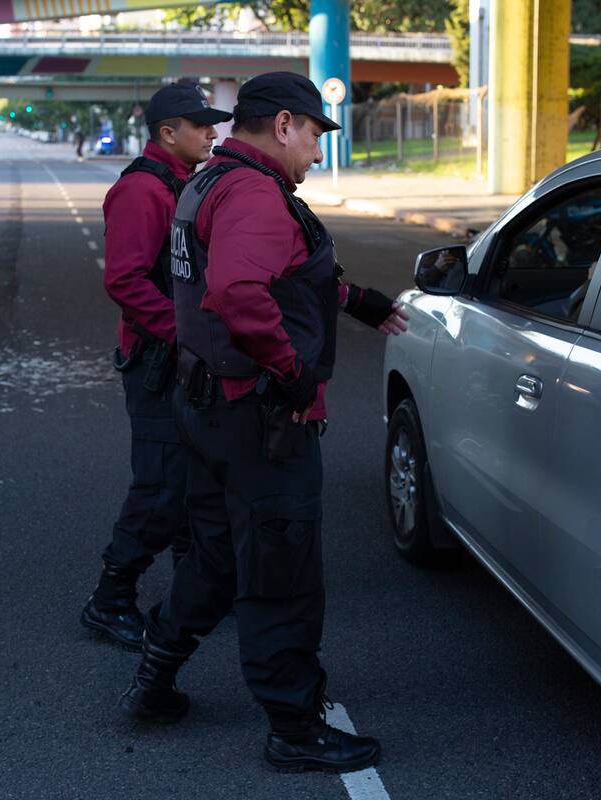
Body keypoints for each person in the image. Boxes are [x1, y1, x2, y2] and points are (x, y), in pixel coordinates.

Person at [117, 72, 409, 773]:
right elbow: (240, 291)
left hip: (208, 407)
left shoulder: (210, 181)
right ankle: (294, 727)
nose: (316, 153)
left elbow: (276, 272)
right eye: (313, 135)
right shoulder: (254, 192)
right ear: (284, 124)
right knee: (281, 572)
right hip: (259, 417)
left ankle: (155, 674)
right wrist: (291, 370)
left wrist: (355, 298)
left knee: (217, 559)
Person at [80, 83, 234, 652]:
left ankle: (196, 593)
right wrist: (187, 334)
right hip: (158, 362)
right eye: (201, 125)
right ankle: (109, 599)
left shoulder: (182, 182)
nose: (213, 133)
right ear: (168, 133)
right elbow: (124, 281)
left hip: (184, 358)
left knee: (198, 477)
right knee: (162, 485)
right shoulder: (142, 190)